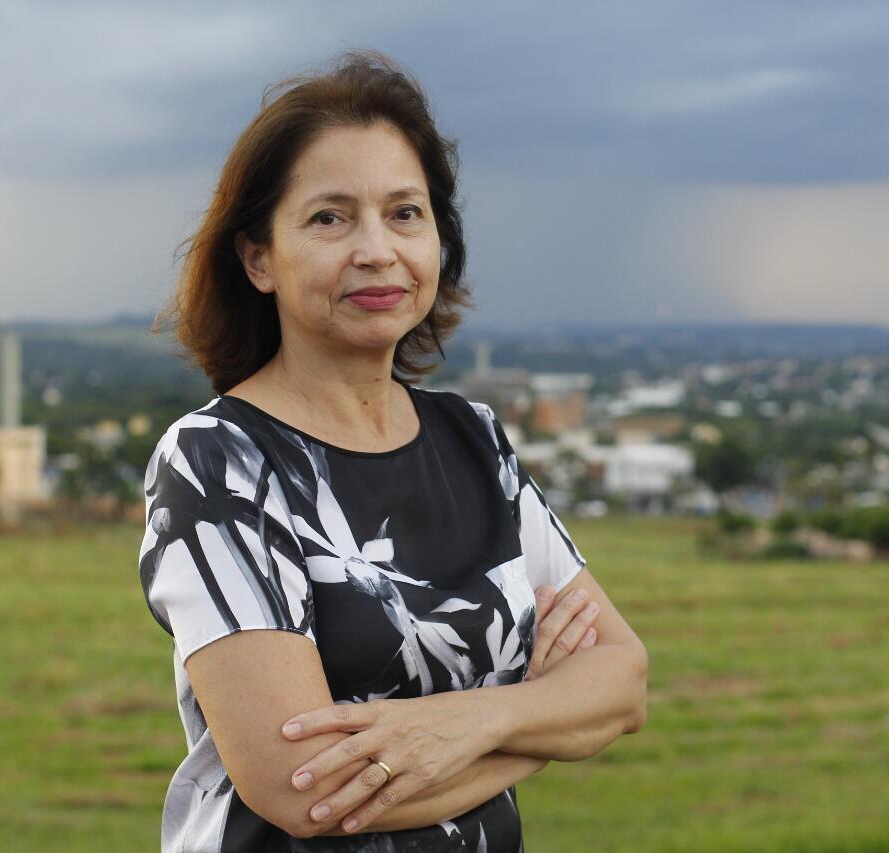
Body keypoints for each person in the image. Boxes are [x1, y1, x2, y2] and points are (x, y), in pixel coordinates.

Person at [138, 50, 648, 852]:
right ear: (257, 257)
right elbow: (306, 789)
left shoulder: (473, 439)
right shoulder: (217, 461)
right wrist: (544, 718)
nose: (377, 249)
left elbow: (622, 682)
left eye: (405, 213)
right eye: (329, 218)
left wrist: (469, 722)